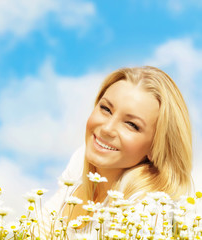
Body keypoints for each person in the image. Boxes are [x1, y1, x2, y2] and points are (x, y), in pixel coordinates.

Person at [44, 66, 192, 238]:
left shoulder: (147, 212)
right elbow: (41, 227)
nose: (107, 129)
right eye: (106, 109)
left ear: (156, 148)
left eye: (131, 124)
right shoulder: (80, 160)